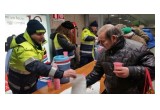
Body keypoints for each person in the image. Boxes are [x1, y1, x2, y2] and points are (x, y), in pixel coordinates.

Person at [8, 19, 76, 94]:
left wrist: (49, 65)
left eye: (43, 34)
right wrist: (62, 74)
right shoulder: (23, 47)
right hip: (19, 86)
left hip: (31, 82)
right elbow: (35, 65)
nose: (42, 37)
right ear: (30, 34)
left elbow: (38, 62)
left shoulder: (36, 43)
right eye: (39, 34)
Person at [86, 24, 155, 94]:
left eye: (103, 41)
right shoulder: (104, 52)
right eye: (99, 41)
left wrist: (130, 71)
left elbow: (153, 70)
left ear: (113, 38)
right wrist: (82, 83)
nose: (100, 44)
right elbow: (96, 72)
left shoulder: (139, 48)